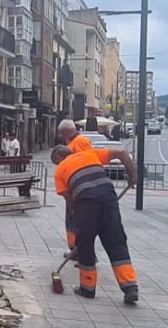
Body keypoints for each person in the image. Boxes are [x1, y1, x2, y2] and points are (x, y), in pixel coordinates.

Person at [52, 142, 139, 304]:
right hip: (108, 198)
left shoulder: (60, 171)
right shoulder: (90, 154)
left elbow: (70, 201)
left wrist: (79, 223)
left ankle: (87, 288)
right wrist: (132, 174)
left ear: (58, 158)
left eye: (56, 162)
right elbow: (121, 152)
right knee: (116, 242)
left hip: (86, 203)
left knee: (85, 244)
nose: (57, 165)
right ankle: (130, 287)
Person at [57, 119, 91, 252]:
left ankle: (82, 250)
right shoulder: (71, 142)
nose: (61, 136)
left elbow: (85, 162)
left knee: (79, 220)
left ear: (66, 131)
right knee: (72, 220)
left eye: (62, 133)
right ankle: (74, 248)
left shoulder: (80, 142)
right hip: (73, 187)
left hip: (79, 187)